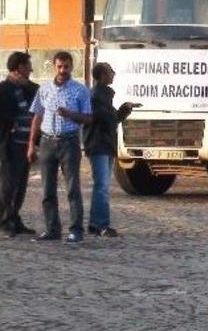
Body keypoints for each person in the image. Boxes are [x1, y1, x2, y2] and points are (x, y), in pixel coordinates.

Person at [28, 51, 92, 244]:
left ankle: (76, 230)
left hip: (69, 141)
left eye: (66, 66)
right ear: (54, 67)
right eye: (59, 66)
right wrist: (32, 143)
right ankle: (52, 229)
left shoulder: (80, 90)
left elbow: (89, 118)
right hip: (47, 141)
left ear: (71, 67)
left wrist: (71, 114)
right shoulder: (45, 89)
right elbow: (37, 116)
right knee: (47, 189)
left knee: (72, 188)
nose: (63, 70)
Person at [84, 63, 138, 237]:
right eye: (110, 72)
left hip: (105, 145)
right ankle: (101, 225)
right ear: (102, 76)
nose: (113, 74)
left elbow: (113, 119)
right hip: (98, 144)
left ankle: (95, 223)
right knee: (102, 186)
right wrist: (119, 113)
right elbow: (107, 120)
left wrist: (124, 110)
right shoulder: (96, 96)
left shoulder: (104, 95)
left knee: (101, 185)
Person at [0, 52, 38, 238]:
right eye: (28, 66)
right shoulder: (3, 89)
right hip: (11, 144)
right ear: (19, 67)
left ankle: (14, 217)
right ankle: (5, 221)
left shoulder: (31, 89)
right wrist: (10, 123)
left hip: (27, 144)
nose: (31, 69)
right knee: (8, 185)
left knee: (21, 185)